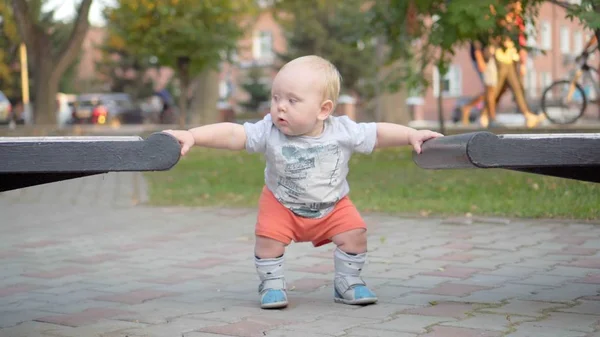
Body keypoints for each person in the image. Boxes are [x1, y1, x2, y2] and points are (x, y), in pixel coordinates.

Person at [163, 55, 443, 309]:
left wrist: (410, 135)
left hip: (333, 206)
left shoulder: (343, 130)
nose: (280, 107)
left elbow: (378, 134)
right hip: (281, 203)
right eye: (275, 98)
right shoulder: (269, 130)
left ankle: (348, 282)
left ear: (323, 110)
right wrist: (194, 136)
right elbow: (234, 134)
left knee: (355, 234)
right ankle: (271, 284)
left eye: (292, 101)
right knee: (268, 241)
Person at [461, 39, 498, 127]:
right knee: (490, 89)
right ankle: (491, 118)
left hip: (488, 57)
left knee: (491, 90)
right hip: (484, 59)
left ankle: (468, 107)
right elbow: (476, 39)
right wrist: (479, 58)